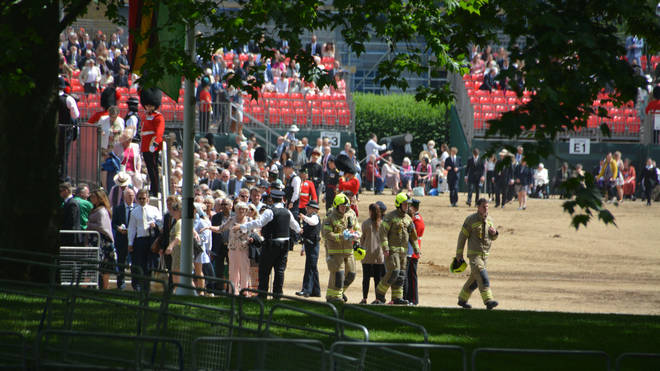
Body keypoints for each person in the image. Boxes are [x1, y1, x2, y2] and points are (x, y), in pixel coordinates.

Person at [236, 190, 301, 299]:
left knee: (265, 270)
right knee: (280, 270)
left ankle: (262, 294)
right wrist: (300, 230)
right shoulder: (287, 212)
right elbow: (295, 225)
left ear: (271, 199)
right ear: (282, 199)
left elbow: (259, 223)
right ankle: (277, 294)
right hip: (285, 244)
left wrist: (242, 226)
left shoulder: (269, 211)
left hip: (271, 244)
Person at [374, 193, 418, 305]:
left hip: (403, 253)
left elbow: (413, 236)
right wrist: (385, 248)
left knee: (401, 275)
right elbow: (382, 233)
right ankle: (380, 294)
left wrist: (416, 248)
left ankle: (397, 297)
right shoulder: (390, 217)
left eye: (407, 204)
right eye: (404, 204)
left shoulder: (408, 219)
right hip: (392, 252)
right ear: (398, 204)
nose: (407, 206)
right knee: (394, 271)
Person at [455, 198, 499, 310]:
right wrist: (459, 254)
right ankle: (488, 300)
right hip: (474, 256)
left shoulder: (490, 220)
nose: (486, 209)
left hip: (485, 257)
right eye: (484, 206)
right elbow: (462, 237)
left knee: (474, 280)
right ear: (478, 207)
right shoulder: (470, 220)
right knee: (483, 277)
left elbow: (493, 238)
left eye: (487, 206)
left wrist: (495, 234)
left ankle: (462, 299)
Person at [322, 193, 361, 303]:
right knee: (338, 274)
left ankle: (338, 293)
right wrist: (341, 236)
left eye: (345, 206)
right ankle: (334, 297)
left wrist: (356, 236)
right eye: (342, 206)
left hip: (349, 250)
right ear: (336, 206)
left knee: (351, 274)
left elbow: (357, 228)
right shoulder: (330, 217)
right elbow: (326, 234)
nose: (344, 209)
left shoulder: (351, 214)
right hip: (335, 250)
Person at [210, 202, 253, 294]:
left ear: (246, 211)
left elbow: (256, 232)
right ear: (236, 210)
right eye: (239, 209)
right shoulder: (231, 220)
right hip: (233, 249)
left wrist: (253, 238)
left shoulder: (249, 220)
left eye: (243, 209)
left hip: (244, 249)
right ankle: (233, 291)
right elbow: (221, 229)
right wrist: (209, 227)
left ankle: (244, 292)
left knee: (244, 270)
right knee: (232, 270)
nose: (241, 211)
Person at [127, 189, 163, 291]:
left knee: (149, 264)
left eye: (144, 198)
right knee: (139, 263)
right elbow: (132, 228)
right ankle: (138, 285)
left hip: (151, 239)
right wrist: (130, 243)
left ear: (148, 199)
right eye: (140, 199)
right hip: (140, 239)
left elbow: (161, 224)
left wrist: (155, 225)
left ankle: (147, 286)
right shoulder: (134, 212)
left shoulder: (154, 210)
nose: (142, 200)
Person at [87, 188, 115, 289]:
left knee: (104, 267)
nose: (91, 198)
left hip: (102, 242)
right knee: (93, 265)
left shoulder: (102, 211)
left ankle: (104, 288)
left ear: (99, 198)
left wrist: (90, 225)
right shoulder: (95, 210)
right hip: (94, 242)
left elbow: (102, 227)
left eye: (94, 197)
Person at [139, 87, 165, 197]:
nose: (148, 107)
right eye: (147, 105)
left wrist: (154, 145)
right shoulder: (146, 116)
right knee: (149, 169)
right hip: (145, 146)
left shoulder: (158, 117)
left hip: (151, 146)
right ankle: (153, 189)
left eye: (150, 105)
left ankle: (155, 190)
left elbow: (159, 133)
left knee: (154, 169)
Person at [359, 202, 386, 304]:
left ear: (370, 211)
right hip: (379, 255)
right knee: (377, 279)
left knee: (366, 278)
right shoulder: (382, 224)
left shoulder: (365, 224)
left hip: (367, 255)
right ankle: (378, 298)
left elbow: (363, 239)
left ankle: (364, 298)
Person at [295, 200, 322, 298]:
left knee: (310, 268)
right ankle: (316, 291)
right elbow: (305, 234)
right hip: (309, 245)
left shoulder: (314, 217)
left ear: (314, 210)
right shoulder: (308, 218)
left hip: (313, 245)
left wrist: (303, 217)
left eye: (309, 207)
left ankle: (306, 290)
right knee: (312, 268)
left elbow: (312, 222)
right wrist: (303, 248)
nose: (307, 209)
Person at [111, 187, 136, 289]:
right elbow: (113, 224)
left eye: (132, 196)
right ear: (124, 197)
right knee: (121, 261)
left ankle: (135, 283)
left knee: (134, 262)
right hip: (121, 238)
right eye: (128, 196)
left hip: (134, 239)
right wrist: (118, 228)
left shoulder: (137, 208)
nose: (130, 198)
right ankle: (121, 283)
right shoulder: (118, 208)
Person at [57, 77, 80, 181]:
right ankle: (63, 176)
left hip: (54, 131)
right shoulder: (68, 99)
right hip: (65, 131)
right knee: (64, 154)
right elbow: (75, 115)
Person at [403, 198, 423, 305]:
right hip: (412, 250)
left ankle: (414, 299)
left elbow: (415, 234)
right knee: (409, 276)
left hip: (413, 252)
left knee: (412, 277)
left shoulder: (417, 220)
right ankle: (409, 298)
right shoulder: (415, 218)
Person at [58, 182, 81, 247]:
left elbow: (71, 221)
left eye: (61, 191)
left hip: (71, 237)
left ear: (66, 190)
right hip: (68, 236)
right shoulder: (67, 202)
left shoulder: (72, 203)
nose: (60, 193)